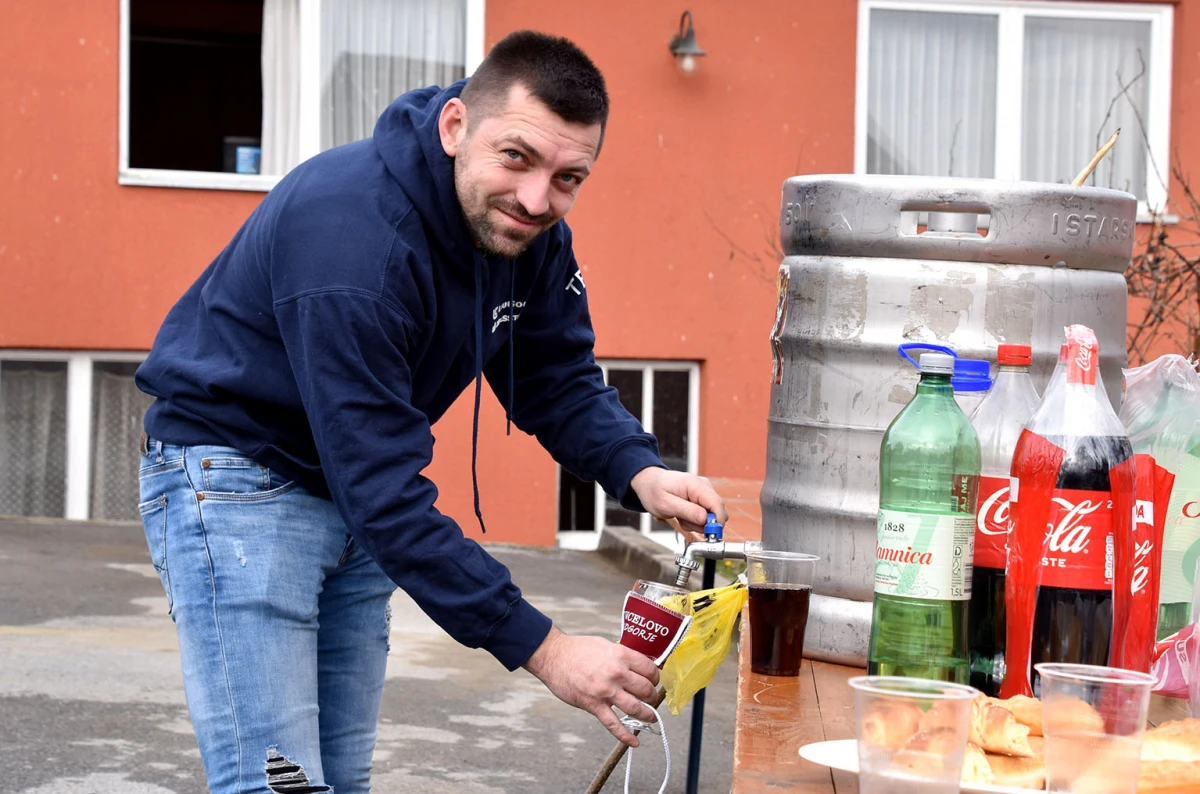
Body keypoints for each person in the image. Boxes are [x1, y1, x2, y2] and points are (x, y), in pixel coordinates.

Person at [134, 29, 727, 794]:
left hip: (346, 487)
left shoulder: (527, 232)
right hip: (238, 477)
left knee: (339, 781)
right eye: (516, 157)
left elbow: (553, 373)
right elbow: (384, 494)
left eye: (569, 177)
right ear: (455, 126)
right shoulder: (355, 245)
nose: (537, 198)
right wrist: (546, 648)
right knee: (276, 784)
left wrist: (638, 470)